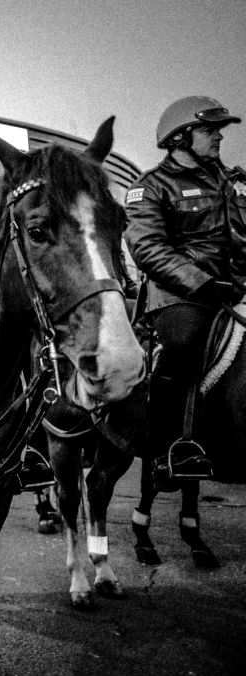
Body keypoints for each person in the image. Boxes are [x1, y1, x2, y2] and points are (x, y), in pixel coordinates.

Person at [125, 95, 245, 487]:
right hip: (180, 296)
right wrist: (201, 283)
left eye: (219, 131)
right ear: (180, 138)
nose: (218, 138)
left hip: (234, 289)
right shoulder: (150, 187)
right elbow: (147, 247)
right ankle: (169, 448)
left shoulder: (231, 182)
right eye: (209, 130)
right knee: (185, 343)